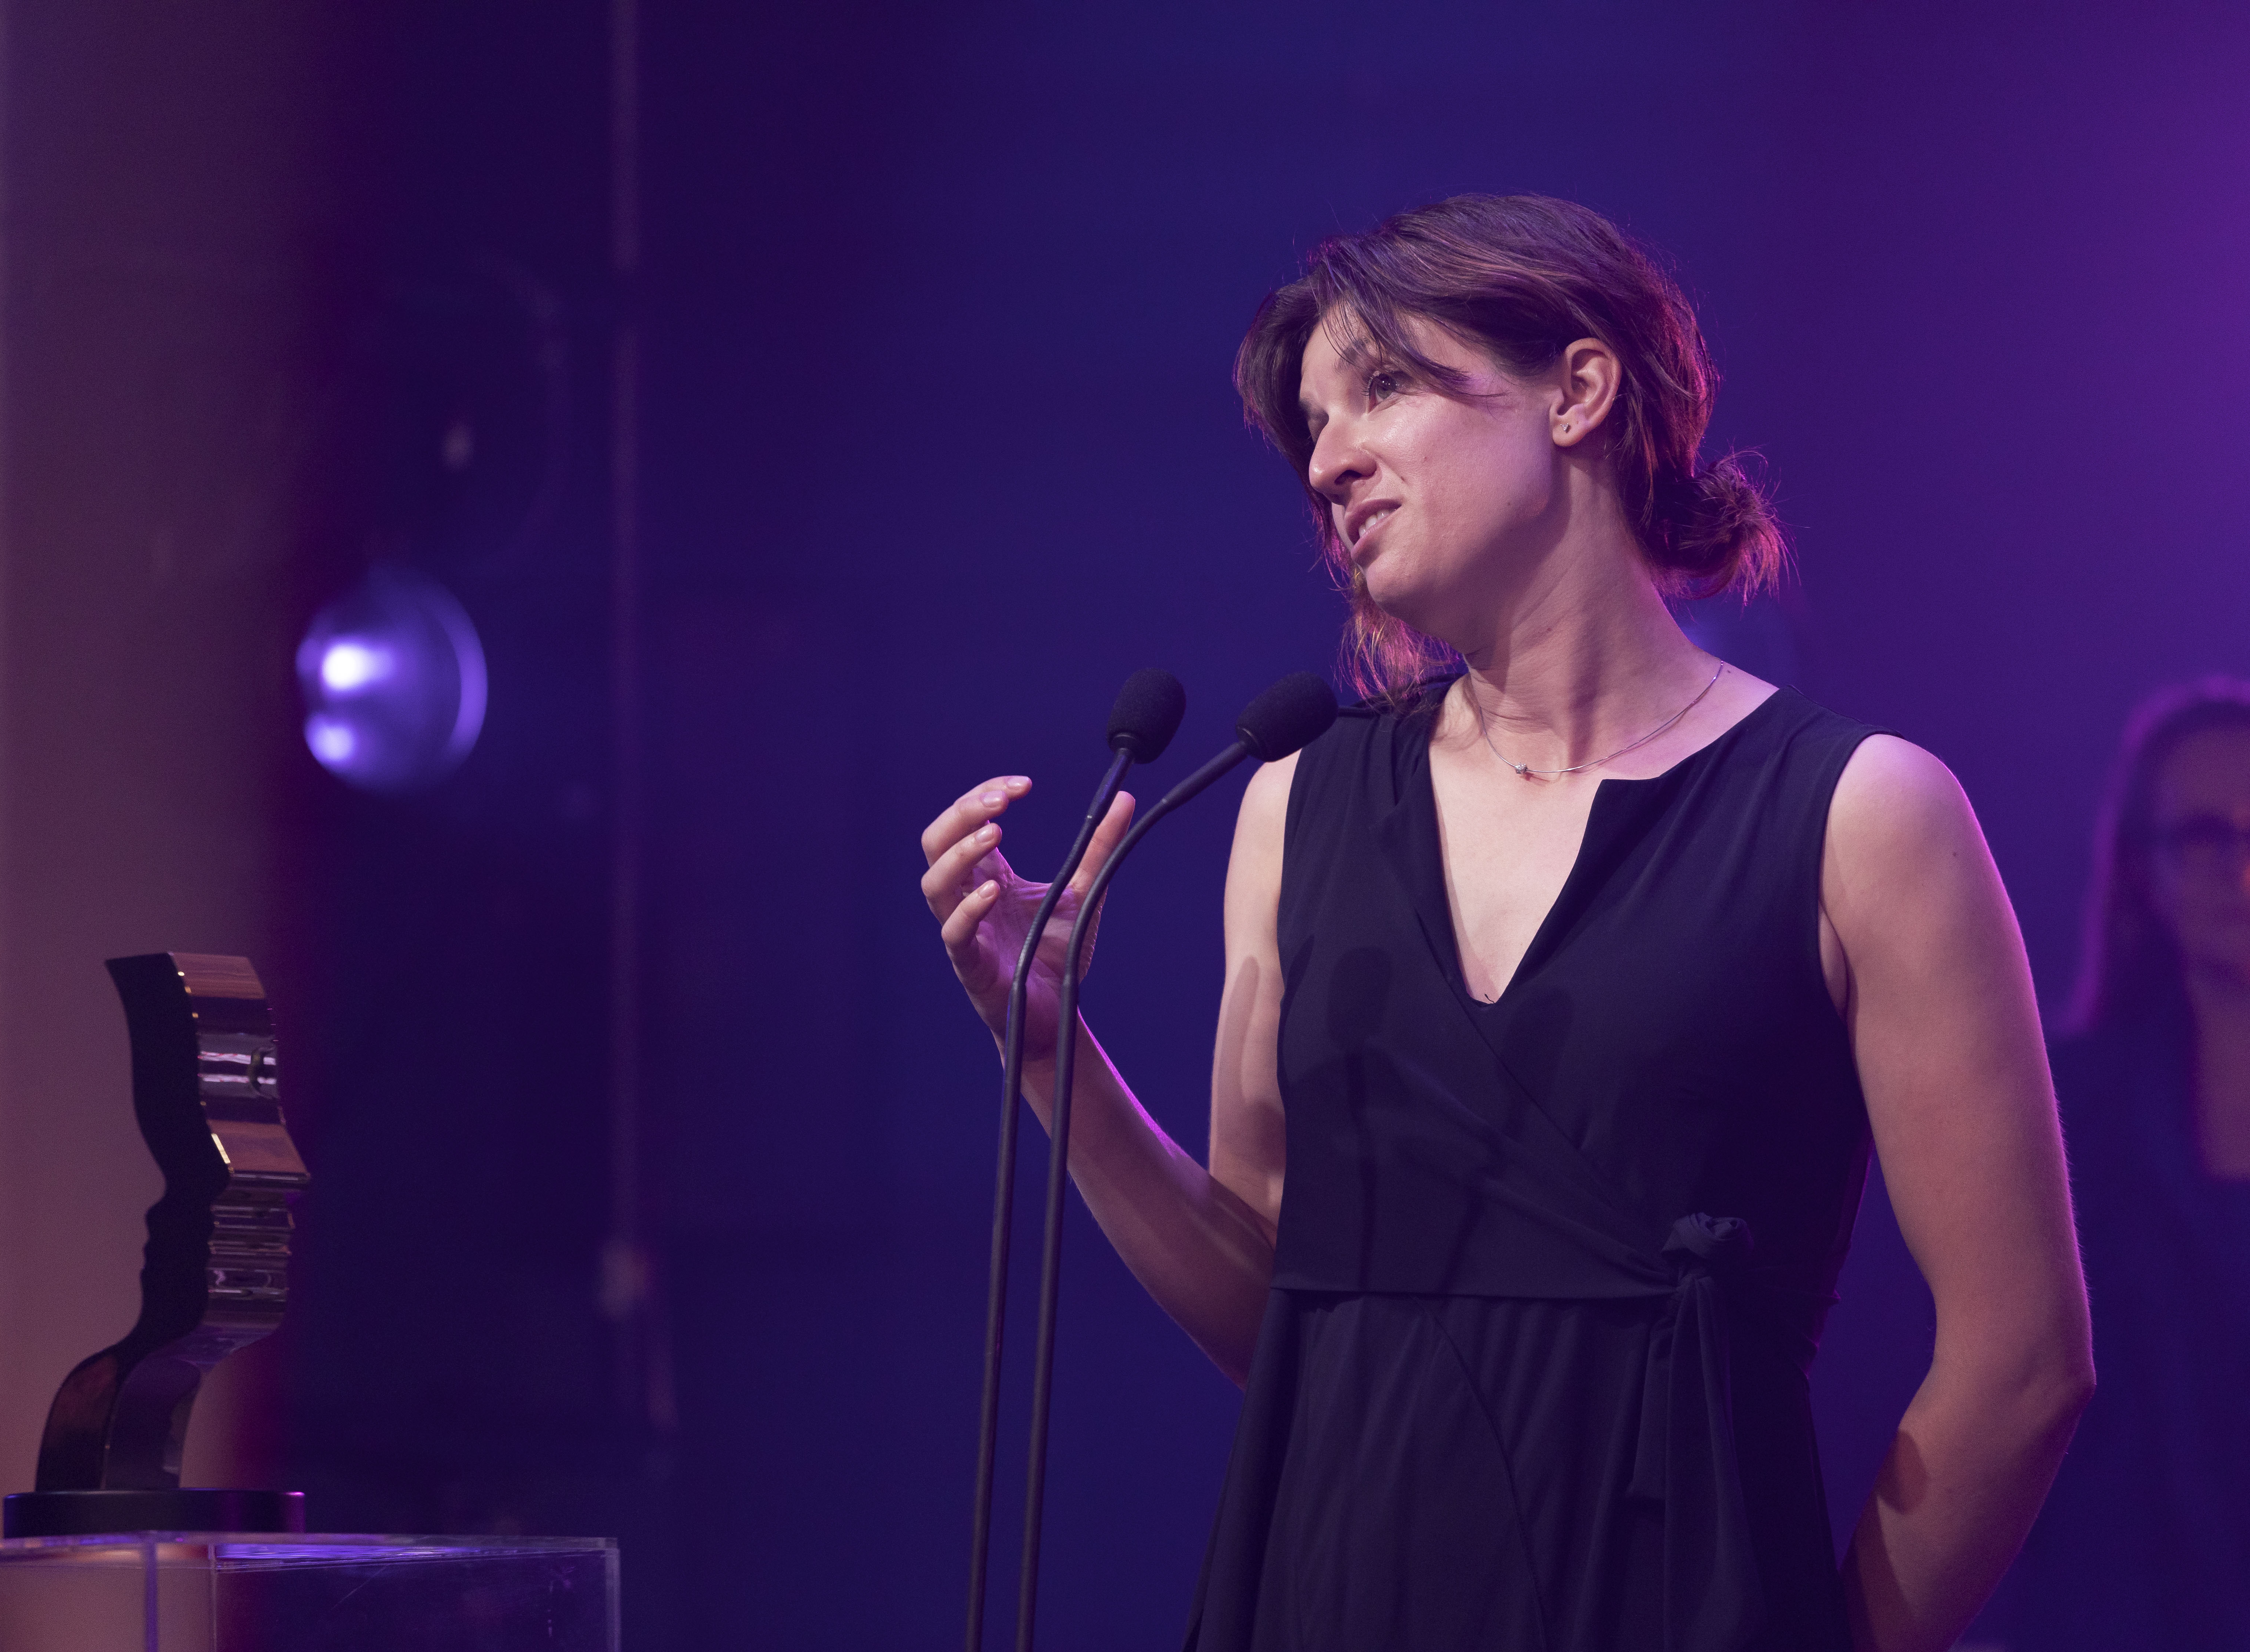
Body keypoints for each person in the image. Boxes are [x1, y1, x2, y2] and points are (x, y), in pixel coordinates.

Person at [918, 194, 2093, 1652]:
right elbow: (1270, 1310)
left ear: (1578, 391)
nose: (1329, 460)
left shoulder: (1864, 816)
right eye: (1314, 428)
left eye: (1383, 387)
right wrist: (1051, 1056)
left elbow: (2024, 1363)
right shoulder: (1296, 805)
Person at [1998, 680, 2250, 1651]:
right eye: (2204, 836)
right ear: (2144, 869)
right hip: (2113, 1616)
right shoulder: (2062, 1109)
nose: (2239, 868)